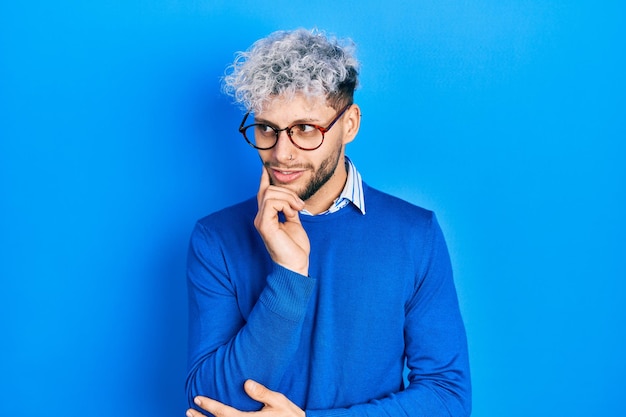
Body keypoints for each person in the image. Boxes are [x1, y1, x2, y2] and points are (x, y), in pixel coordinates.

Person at [185, 28, 471, 417]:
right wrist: (289, 274)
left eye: (305, 129)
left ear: (349, 124)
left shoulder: (414, 234)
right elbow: (208, 402)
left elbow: (447, 397)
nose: (282, 154)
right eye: (267, 128)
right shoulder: (215, 239)